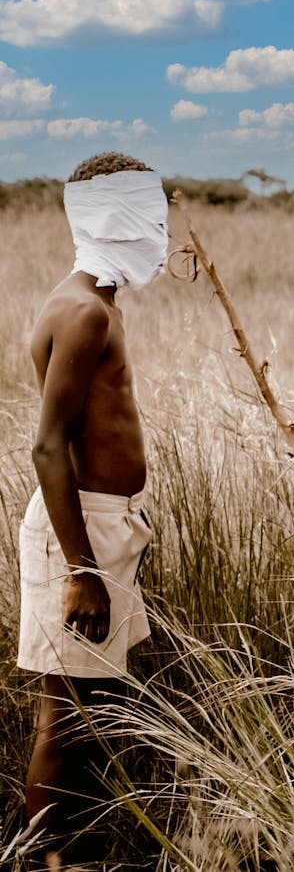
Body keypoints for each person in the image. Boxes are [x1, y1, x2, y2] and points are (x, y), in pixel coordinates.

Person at [17, 151, 168, 870]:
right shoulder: (80, 311)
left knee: (94, 708)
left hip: (104, 528)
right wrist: (81, 566)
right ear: (119, 219)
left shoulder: (99, 301)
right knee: (65, 718)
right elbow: (47, 447)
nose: (161, 231)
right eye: (152, 215)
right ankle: (38, 858)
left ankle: (71, 851)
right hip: (78, 535)